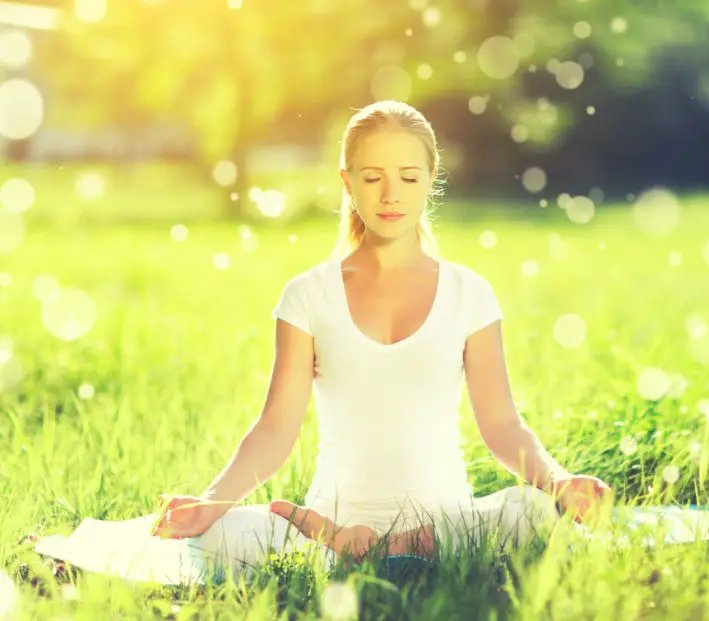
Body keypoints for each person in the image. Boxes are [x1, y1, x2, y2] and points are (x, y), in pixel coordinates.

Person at [151, 100, 613, 571]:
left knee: (533, 511)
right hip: (330, 523)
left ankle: (392, 547)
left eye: (408, 178)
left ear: (431, 179)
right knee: (219, 538)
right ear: (347, 182)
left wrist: (559, 482)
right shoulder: (308, 295)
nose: (391, 194)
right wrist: (209, 505)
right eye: (372, 178)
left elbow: (502, 425)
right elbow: (275, 428)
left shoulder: (468, 293)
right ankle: (352, 543)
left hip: (447, 521)